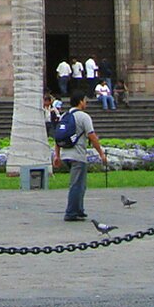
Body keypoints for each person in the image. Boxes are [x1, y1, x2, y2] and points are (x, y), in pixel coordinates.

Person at [55, 90, 106, 223]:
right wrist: (101, 153)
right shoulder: (84, 117)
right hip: (78, 155)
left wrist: (57, 156)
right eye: (85, 100)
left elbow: (57, 137)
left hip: (66, 154)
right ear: (80, 102)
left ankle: (79, 210)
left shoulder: (64, 115)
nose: (86, 103)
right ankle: (71, 212)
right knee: (76, 185)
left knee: (80, 184)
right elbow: (92, 136)